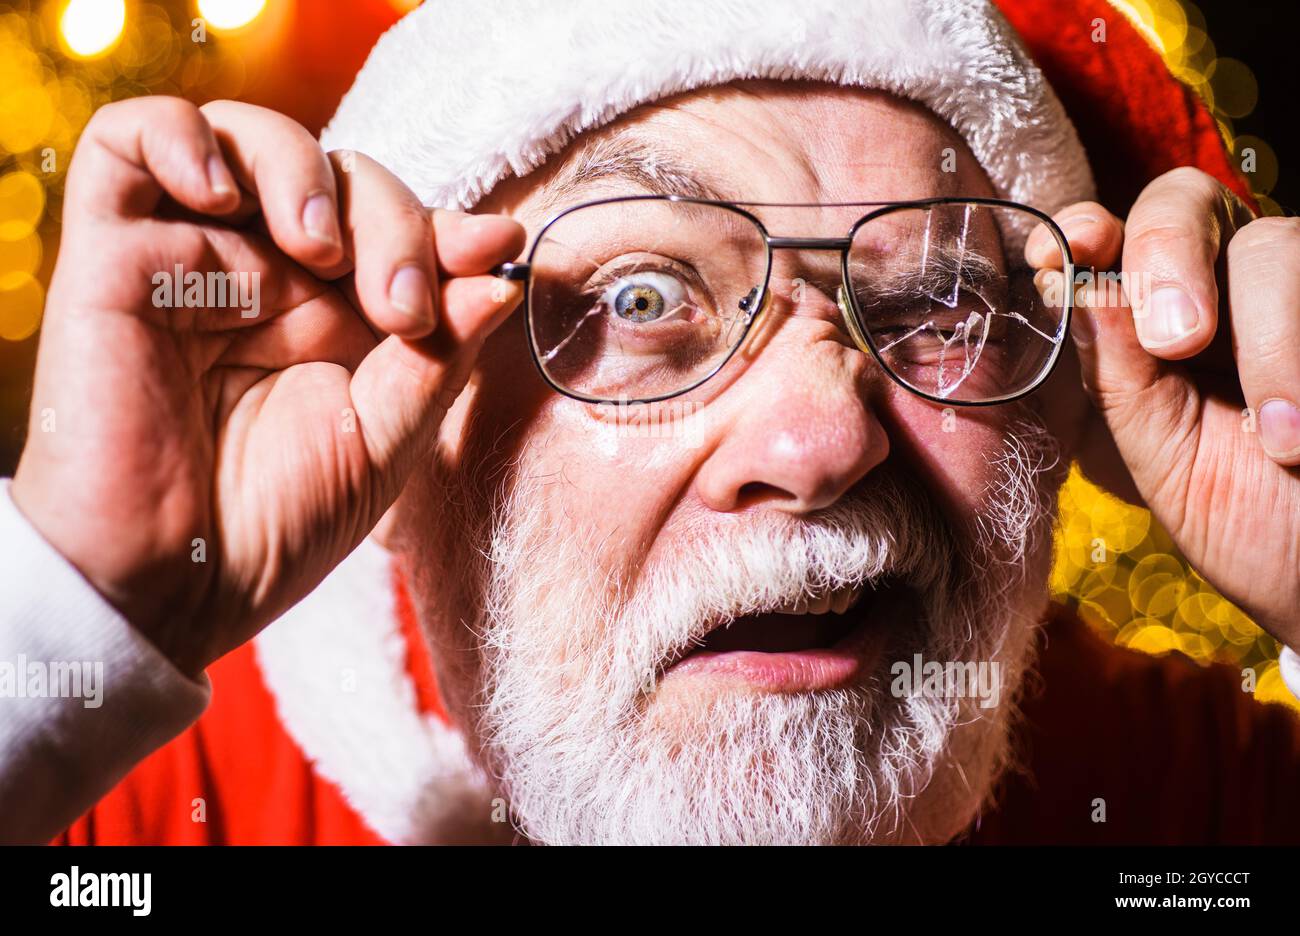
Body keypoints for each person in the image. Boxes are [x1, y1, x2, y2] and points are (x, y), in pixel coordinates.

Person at [2, 0, 1297, 845]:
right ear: (410, 424)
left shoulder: (1175, 807)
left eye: (941, 302)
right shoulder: (122, 800)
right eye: (638, 297)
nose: (820, 441)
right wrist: (69, 600)